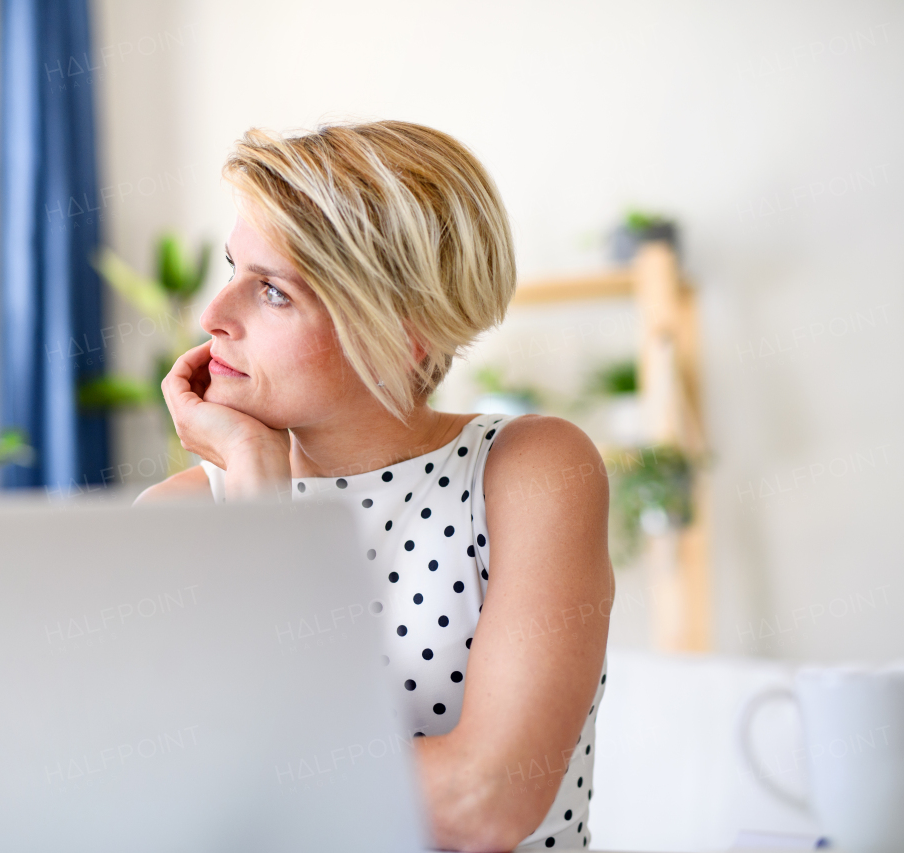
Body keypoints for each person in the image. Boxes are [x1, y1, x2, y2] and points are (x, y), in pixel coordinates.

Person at [135, 121, 613, 852]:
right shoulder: (176, 518)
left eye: (271, 291)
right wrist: (259, 498)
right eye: (233, 268)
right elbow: (184, 806)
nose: (212, 316)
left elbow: (484, 803)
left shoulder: (529, 468)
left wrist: (250, 760)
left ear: (402, 330)